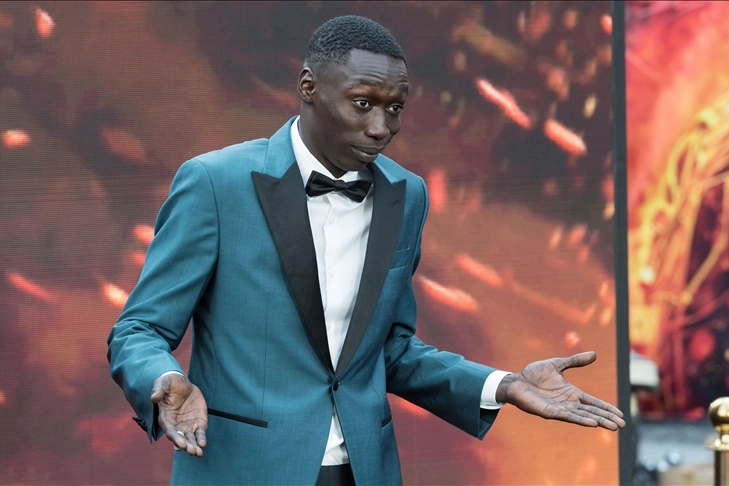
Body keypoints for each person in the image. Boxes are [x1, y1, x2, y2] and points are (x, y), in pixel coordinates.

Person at [107, 15, 625, 485]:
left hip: (365, 470)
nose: (381, 128)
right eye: (363, 103)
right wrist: (165, 378)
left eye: (394, 108)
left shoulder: (408, 194)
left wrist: (503, 385)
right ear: (308, 87)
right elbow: (139, 329)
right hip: (244, 470)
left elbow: (390, 349)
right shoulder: (215, 183)